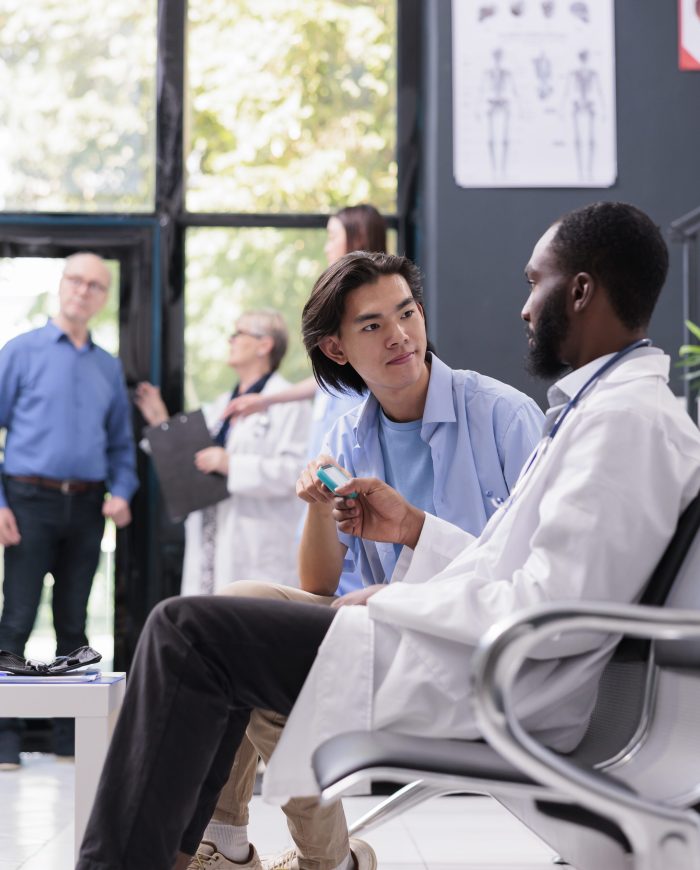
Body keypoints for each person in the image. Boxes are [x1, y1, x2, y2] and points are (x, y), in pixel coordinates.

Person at [76, 202, 700, 870]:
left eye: (533, 281)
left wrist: (393, 598)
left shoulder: (619, 423)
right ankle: (209, 850)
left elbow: (552, 612)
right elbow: (517, 573)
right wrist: (412, 530)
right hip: (467, 648)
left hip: (490, 675)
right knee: (219, 618)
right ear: (340, 347)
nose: (524, 307)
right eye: (373, 325)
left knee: (187, 634)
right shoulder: (601, 412)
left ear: (578, 291)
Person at [183, 252, 543, 870]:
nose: (400, 335)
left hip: (470, 643)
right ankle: (229, 838)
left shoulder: (505, 417)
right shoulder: (347, 436)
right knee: (237, 612)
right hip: (372, 633)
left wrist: (409, 542)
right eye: (373, 326)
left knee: (265, 671)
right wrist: (319, 508)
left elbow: (532, 568)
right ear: (338, 348)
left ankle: (324, 860)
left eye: (407, 313)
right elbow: (318, 584)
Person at [0, 252, 138, 769]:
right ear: (61, 286)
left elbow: (122, 446)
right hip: (27, 499)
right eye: (76, 281)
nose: (84, 291)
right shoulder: (20, 351)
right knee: (14, 620)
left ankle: (68, 743)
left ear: (103, 298)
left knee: (74, 627)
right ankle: (4, 743)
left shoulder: (107, 367)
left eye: (96, 285)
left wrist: (121, 491)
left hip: (86, 506)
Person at [134, 309, 311, 593]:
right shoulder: (220, 407)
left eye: (238, 333)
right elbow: (193, 460)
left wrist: (231, 464)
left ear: (265, 345)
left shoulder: (288, 405)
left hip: (258, 548)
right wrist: (161, 424)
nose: (231, 340)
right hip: (211, 542)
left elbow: (295, 475)